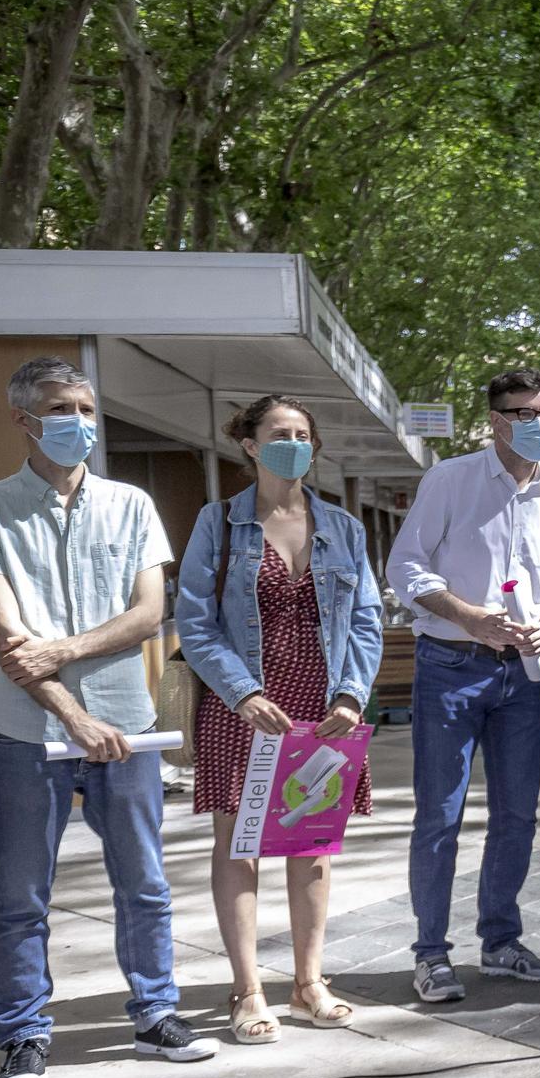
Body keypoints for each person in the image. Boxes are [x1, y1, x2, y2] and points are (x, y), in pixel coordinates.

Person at [0, 357, 214, 1078]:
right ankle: (23, 1032)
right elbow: (7, 640)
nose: (79, 423)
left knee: (145, 883)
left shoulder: (132, 504)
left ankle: (156, 1013)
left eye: (88, 408)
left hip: (130, 728)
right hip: (25, 732)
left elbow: (151, 613)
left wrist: (64, 649)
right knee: (20, 892)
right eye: (62, 408)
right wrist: (72, 713)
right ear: (24, 418)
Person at [177, 396, 384, 1043]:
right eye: (278, 433)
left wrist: (350, 696)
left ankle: (308, 983)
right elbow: (194, 619)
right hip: (244, 710)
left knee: (312, 848)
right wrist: (241, 692)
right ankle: (248, 991)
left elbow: (367, 621)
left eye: (302, 434)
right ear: (249, 444)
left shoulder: (344, 529)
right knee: (239, 850)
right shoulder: (219, 523)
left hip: (324, 714)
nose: (292, 443)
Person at [385, 369, 540, 1002]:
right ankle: (431, 954)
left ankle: (501, 942)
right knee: (440, 817)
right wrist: (468, 616)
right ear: (495, 420)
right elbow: (405, 566)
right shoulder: (451, 479)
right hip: (451, 666)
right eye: (525, 413)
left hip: (524, 677)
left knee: (518, 817)